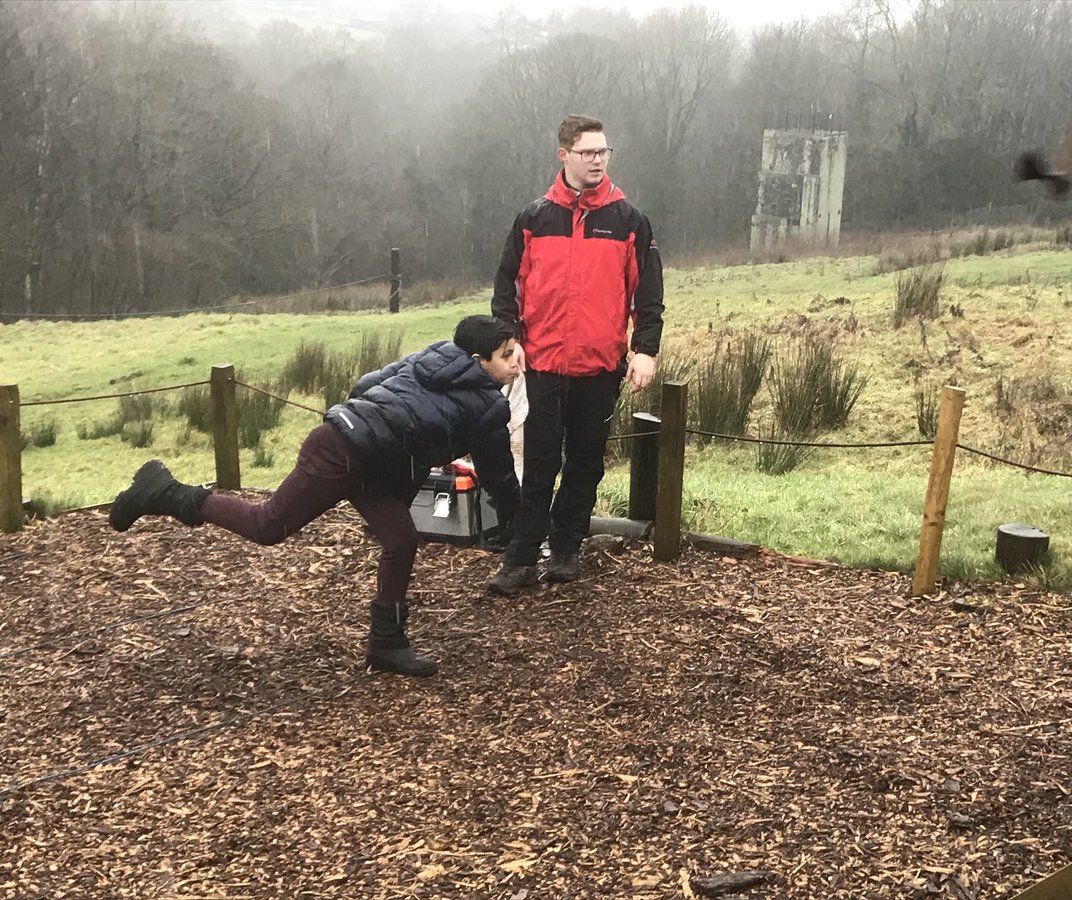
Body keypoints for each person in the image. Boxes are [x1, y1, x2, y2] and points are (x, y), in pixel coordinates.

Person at [108, 315, 522, 677]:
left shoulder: (432, 357)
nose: (517, 361)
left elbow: (366, 384)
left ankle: (386, 643)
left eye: (516, 350)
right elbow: (499, 476)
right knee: (268, 525)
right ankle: (167, 491)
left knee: (400, 539)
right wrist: (523, 527)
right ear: (477, 362)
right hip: (338, 452)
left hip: (370, 460)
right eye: (506, 355)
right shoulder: (488, 407)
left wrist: (387, 430)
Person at [487, 114, 664, 596]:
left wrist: (644, 349)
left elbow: (648, 292)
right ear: (563, 154)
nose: (598, 160)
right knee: (539, 462)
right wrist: (509, 342)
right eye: (588, 152)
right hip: (542, 363)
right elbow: (506, 286)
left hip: (600, 366)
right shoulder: (533, 218)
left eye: (604, 152)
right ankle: (521, 556)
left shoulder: (628, 220)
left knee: (586, 461)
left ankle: (566, 549)